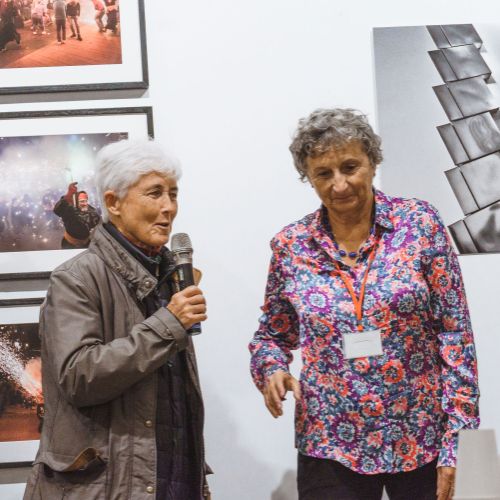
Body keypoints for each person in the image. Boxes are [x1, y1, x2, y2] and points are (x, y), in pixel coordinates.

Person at [249, 108, 480, 500]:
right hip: (330, 442)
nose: (339, 184)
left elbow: (455, 334)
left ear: (372, 162)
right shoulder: (291, 245)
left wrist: (456, 439)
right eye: (323, 173)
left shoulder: (420, 224)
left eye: (350, 167)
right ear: (308, 177)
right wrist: (271, 369)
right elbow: (271, 335)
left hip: (419, 436)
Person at [23, 139, 212, 500]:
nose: (168, 207)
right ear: (114, 203)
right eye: (154, 193)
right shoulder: (77, 278)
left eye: (173, 194)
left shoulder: (170, 277)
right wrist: (169, 325)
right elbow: (78, 377)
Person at [53, 182, 101, 248]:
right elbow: (57, 210)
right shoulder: (69, 209)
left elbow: (97, 220)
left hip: (87, 244)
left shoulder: (91, 211)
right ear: (75, 201)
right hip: (69, 244)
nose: (84, 203)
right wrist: (68, 196)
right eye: (81, 201)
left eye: (85, 200)